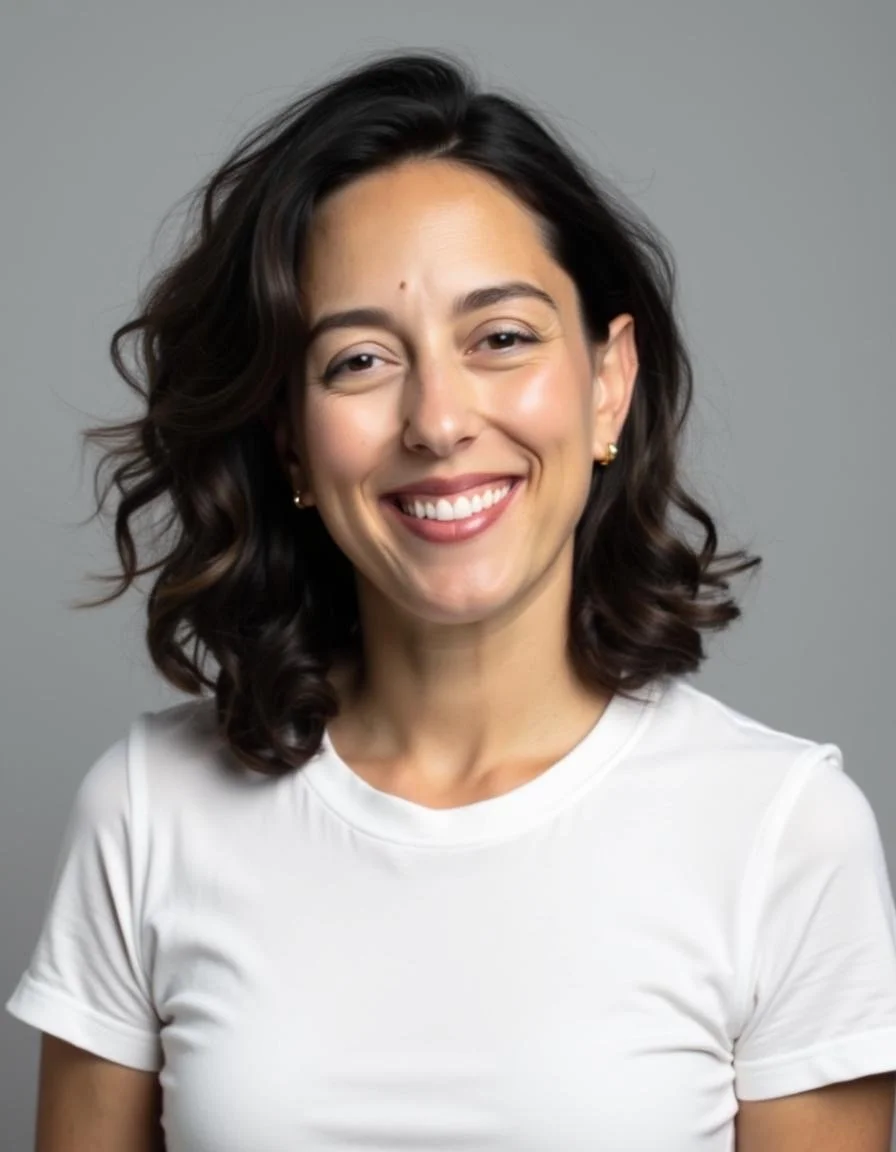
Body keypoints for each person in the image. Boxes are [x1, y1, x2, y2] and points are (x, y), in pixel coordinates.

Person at [6, 47, 896, 1152]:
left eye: (502, 339)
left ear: (607, 379)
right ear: (289, 434)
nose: (436, 419)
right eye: (359, 361)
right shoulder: (147, 811)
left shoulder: (783, 834)